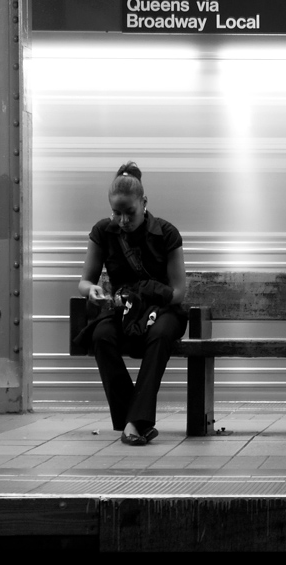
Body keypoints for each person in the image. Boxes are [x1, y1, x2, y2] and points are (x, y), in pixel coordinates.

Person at [76, 162, 187, 446]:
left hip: (162, 312)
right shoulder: (104, 232)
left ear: (144, 203)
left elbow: (178, 293)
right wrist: (94, 291)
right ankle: (132, 419)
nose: (123, 220)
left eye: (129, 213)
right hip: (125, 312)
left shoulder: (166, 233)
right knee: (101, 336)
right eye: (116, 213)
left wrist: (147, 292)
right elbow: (84, 282)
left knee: (161, 334)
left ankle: (136, 422)